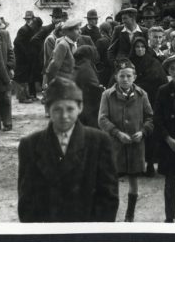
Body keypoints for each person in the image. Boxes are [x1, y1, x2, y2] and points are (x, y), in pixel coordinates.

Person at [18, 77, 119, 222]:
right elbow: (26, 199)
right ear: (47, 110)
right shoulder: (30, 145)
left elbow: (108, 198)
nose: (64, 116)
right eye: (57, 109)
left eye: (70, 109)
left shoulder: (99, 142)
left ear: (80, 107)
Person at [99, 59, 154, 222]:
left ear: (134, 77)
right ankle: (110, 214)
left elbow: (150, 117)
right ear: (116, 77)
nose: (125, 79)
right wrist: (116, 133)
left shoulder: (142, 94)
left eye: (128, 76)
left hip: (136, 144)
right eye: (121, 76)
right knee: (112, 179)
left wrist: (143, 131)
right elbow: (102, 119)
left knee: (133, 179)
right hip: (115, 145)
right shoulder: (107, 95)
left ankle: (129, 215)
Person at [154, 54, 175, 222]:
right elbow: (158, 119)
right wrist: (168, 138)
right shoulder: (163, 91)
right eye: (172, 69)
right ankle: (169, 218)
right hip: (168, 146)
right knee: (169, 183)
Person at [129, 36, 168, 177]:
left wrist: (138, 86)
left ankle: (150, 163)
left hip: (149, 102)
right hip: (131, 104)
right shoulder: (129, 62)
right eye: (137, 47)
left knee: (149, 132)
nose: (140, 50)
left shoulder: (153, 63)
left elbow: (160, 81)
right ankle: (134, 165)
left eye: (142, 47)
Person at [73, 45, 104, 128]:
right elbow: (93, 88)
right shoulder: (86, 67)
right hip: (89, 109)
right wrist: (102, 89)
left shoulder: (78, 65)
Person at [45, 18, 81, 84]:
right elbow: (53, 68)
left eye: (80, 29)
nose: (80, 31)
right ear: (68, 32)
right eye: (77, 29)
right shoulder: (63, 45)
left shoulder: (74, 44)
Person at [14, 13, 36, 103]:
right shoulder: (23, 29)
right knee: (21, 77)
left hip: (26, 57)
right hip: (21, 58)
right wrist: (26, 53)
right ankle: (22, 97)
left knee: (25, 77)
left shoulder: (30, 29)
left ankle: (26, 95)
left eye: (30, 19)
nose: (28, 20)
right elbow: (17, 42)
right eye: (27, 19)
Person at [95, 22, 114, 88]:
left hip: (102, 70)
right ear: (110, 30)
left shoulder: (100, 41)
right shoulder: (112, 40)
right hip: (112, 69)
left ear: (101, 30)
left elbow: (97, 57)